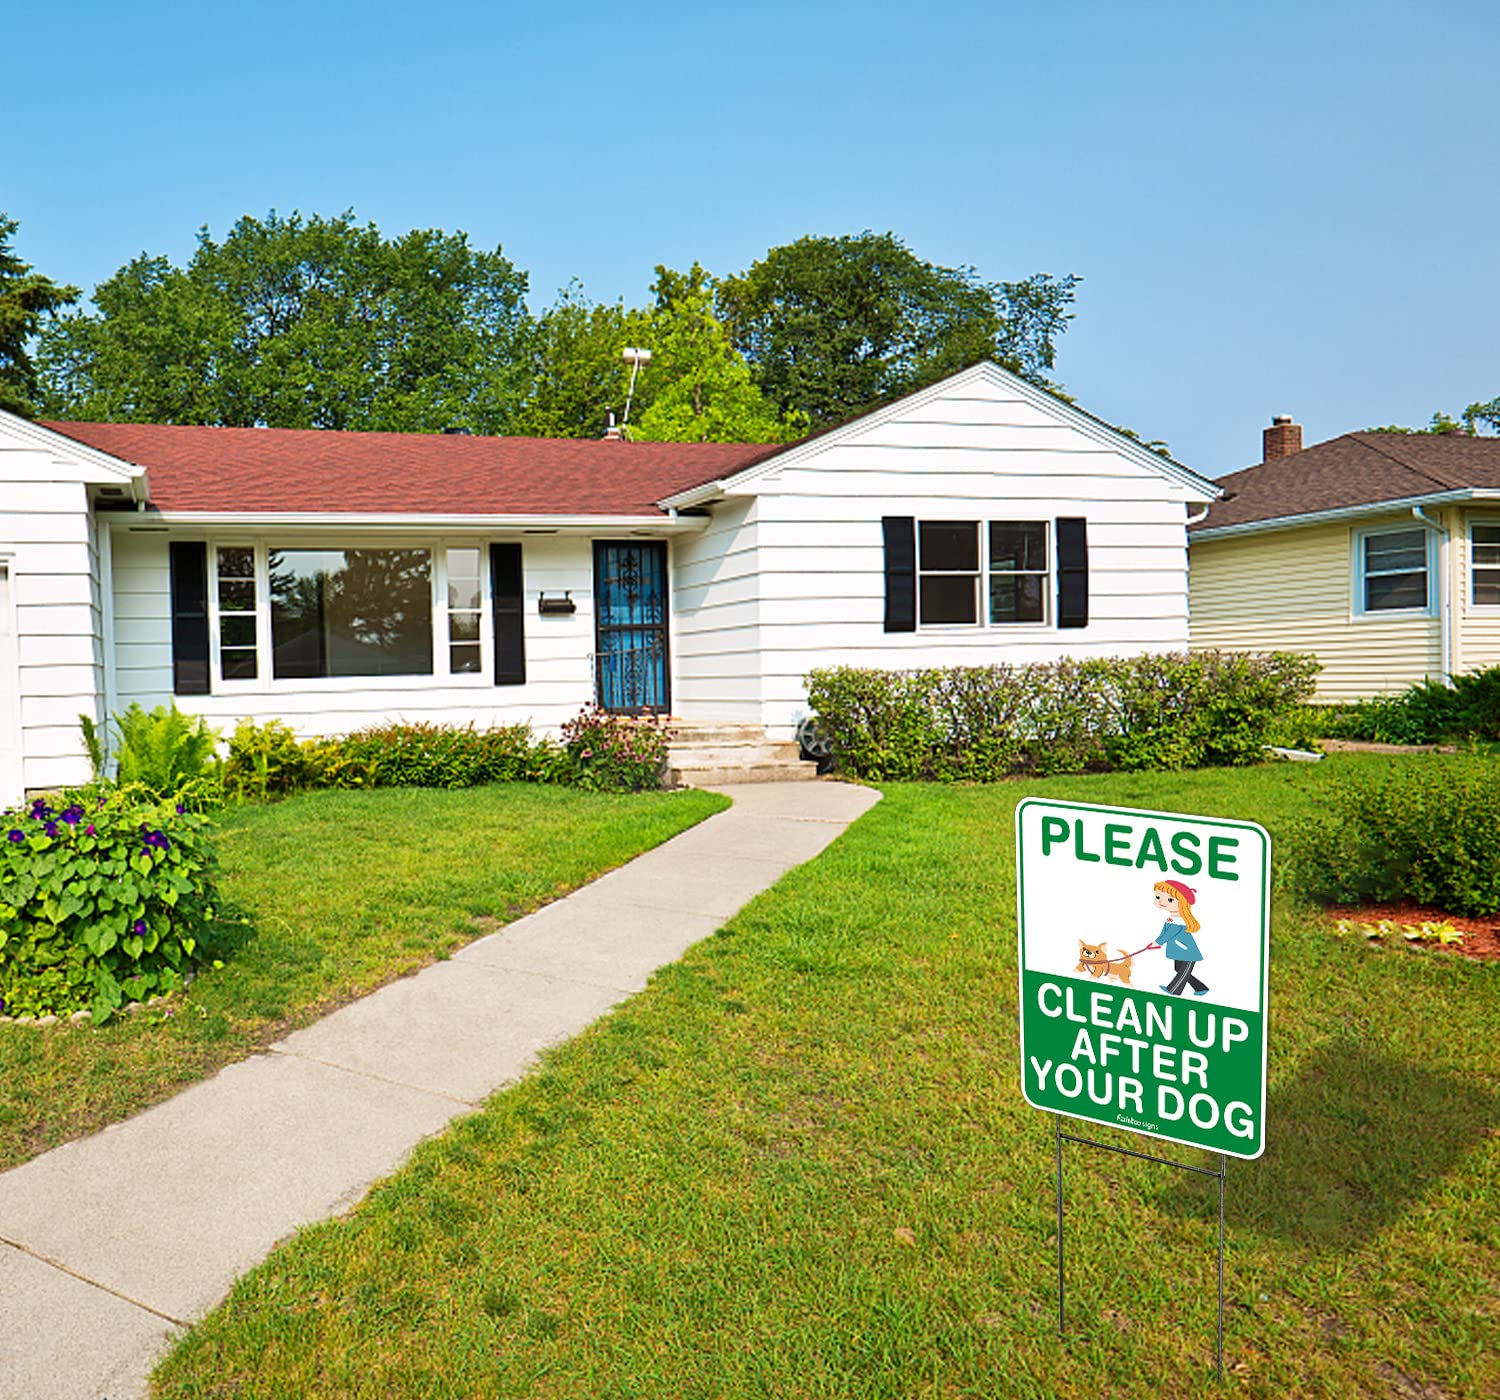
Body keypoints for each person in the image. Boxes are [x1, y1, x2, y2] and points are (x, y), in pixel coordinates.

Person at [1146, 879, 1208, 996]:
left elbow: (1169, 934)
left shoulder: (1179, 921)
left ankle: (1174, 990)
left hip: (1187, 952)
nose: (1161, 902)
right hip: (1179, 951)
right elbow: (1164, 933)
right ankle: (1200, 988)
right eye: (1158, 897)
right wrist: (1155, 942)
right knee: (1179, 970)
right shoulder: (1170, 919)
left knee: (1182, 972)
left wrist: (1158, 943)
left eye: (1169, 900)